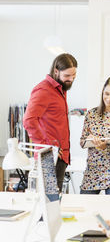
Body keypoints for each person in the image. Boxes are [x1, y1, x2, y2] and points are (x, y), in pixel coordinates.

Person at [23, 53, 77, 192]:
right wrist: (46, 146)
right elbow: (29, 120)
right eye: (67, 76)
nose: (71, 79)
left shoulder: (61, 88)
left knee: (54, 202)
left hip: (60, 157)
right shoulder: (43, 90)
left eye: (74, 75)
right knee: (48, 203)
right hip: (49, 157)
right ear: (56, 71)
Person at [80, 77, 110, 195]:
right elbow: (82, 142)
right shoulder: (91, 114)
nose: (109, 99)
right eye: (106, 94)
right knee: (86, 205)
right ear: (102, 92)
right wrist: (89, 139)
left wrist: (103, 147)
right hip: (93, 169)